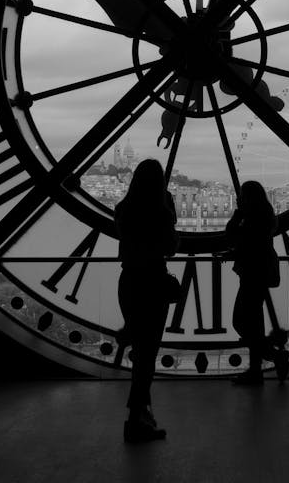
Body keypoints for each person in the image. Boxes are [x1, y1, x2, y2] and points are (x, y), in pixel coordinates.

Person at [115, 158, 178, 443]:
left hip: (129, 283)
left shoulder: (124, 210)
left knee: (141, 353)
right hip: (153, 283)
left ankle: (139, 415)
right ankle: (138, 416)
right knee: (147, 356)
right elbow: (169, 248)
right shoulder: (161, 213)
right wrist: (169, 210)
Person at [224, 180, 289, 385]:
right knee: (253, 323)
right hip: (260, 272)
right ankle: (260, 366)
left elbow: (234, 236)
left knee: (242, 322)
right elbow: (253, 243)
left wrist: (237, 214)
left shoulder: (251, 219)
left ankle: (269, 359)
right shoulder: (263, 218)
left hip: (251, 274)